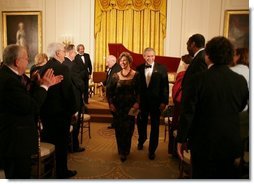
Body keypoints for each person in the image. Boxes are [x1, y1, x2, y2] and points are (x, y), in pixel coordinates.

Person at [177, 36, 249, 179]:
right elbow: (241, 106)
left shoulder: (198, 79)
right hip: (231, 142)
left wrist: (181, 139)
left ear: (208, 55)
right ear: (229, 56)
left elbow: (188, 113)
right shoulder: (240, 80)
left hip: (203, 143)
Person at [0, 44, 63, 179]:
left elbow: (23, 97)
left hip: (15, 139)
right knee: (19, 176)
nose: (28, 61)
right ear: (17, 62)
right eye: (26, 58)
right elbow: (31, 106)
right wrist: (45, 86)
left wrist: (36, 84)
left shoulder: (10, 74)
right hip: (15, 141)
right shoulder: (8, 80)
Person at [39, 42, 78, 179]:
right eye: (62, 51)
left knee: (49, 141)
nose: (64, 53)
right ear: (57, 53)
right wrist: (74, 110)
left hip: (46, 113)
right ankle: (62, 172)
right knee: (61, 145)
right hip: (61, 114)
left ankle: (49, 171)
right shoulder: (63, 68)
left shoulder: (43, 67)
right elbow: (67, 92)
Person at [136, 47, 169, 160]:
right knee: (141, 123)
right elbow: (137, 87)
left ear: (155, 56)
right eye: (148, 56)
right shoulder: (139, 68)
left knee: (155, 126)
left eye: (152, 56)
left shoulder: (162, 68)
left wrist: (164, 101)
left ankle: (152, 150)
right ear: (144, 56)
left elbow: (165, 86)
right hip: (143, 103)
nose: (150, 58)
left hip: (156, 103)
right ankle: (141, 139)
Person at [107, 52, 140, 162]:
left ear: (129, 61)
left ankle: (126, 149)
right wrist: (111, 104)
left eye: (125, 60)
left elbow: (140, 92)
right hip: (118, 107)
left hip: (131, 107)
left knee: (129, 129)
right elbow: (109, 92)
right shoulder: (115, 76)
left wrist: (137, 103)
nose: (123, 62)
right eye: (121, 61)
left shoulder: (136, 75)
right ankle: (122, 151)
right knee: (119, 130)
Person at [63, 44, 85, 153]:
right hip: (74, 98)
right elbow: (79, 83)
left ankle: (68, 144)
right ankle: (74, 146)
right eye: (75, 53)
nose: (75, 54)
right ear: (71, 53)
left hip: (65, 98)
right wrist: (83, 87)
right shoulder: (72, 65)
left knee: (68, 123)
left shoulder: (62, 63)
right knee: (75, 123)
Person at [168, 54, 192, 156]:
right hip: (185, 104)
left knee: (178, 125)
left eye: (182, 63)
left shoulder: (182, 74)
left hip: (180, 104)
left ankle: (175, 152)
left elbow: (175, 92)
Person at [230, 48, 249, 143]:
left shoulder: (231, 71)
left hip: (232, 111)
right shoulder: (249, 71)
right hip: (246, 111)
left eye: (234, 55)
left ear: (238, 56)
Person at [99, 55, 121, 129]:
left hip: (114, 93)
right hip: (110, 93)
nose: (106, 63)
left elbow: (114, 82)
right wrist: (102, 83)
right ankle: (115, 123)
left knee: (115, 109)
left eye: (108, 62)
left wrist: (108, 87)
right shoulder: (111, 68)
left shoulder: (117, 68)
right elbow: (108, 79)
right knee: (112, 110)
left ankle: (117, 124)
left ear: (113, 61)